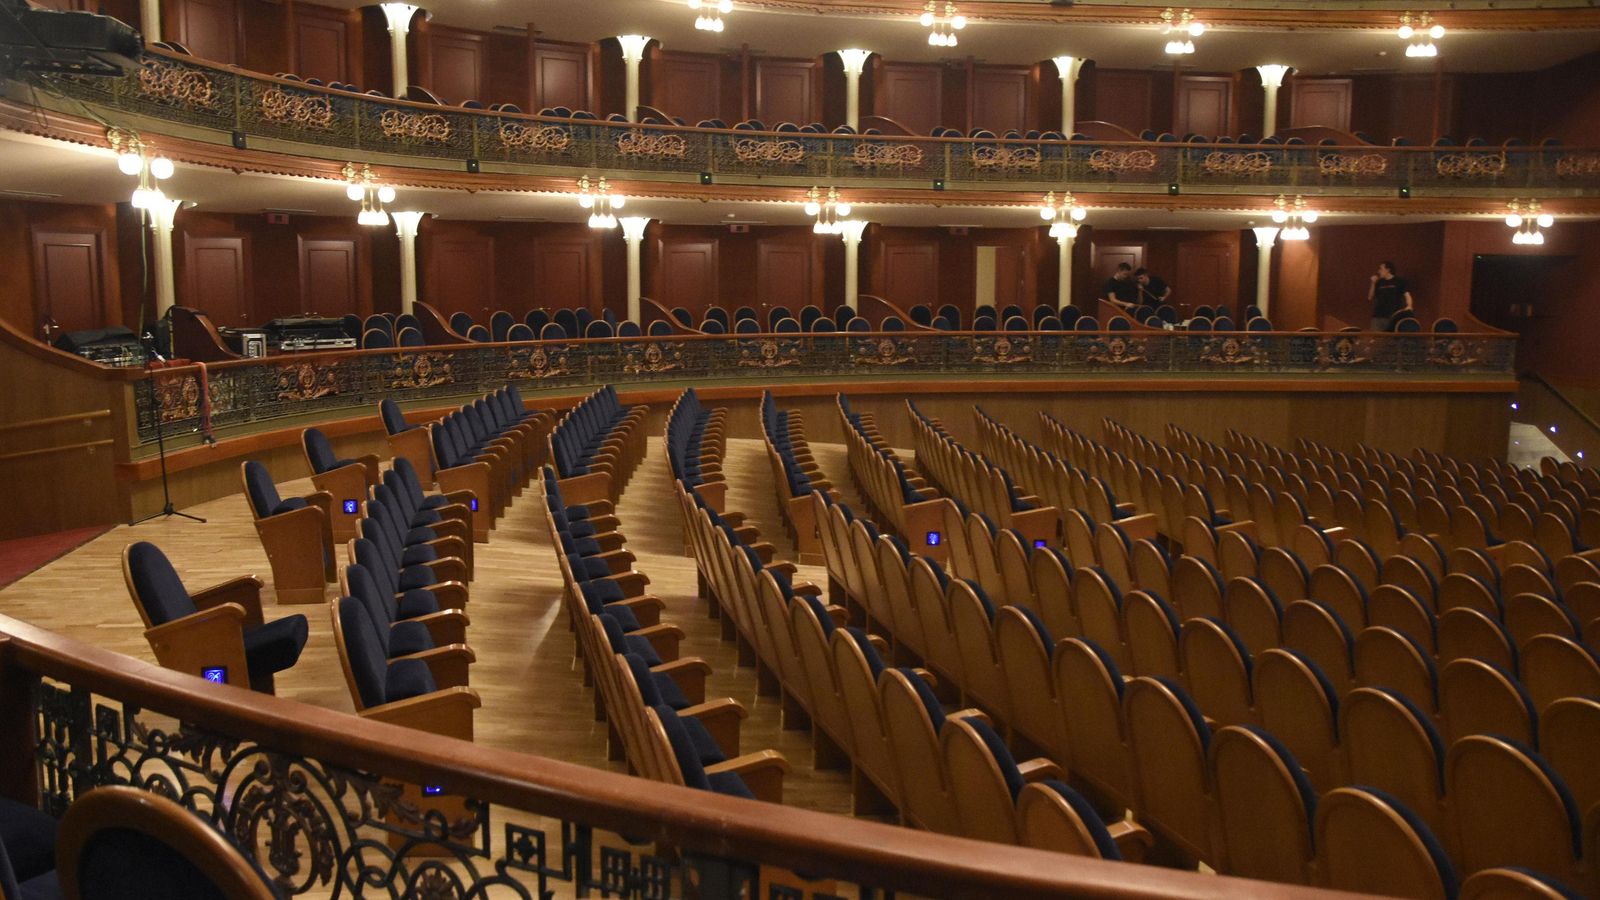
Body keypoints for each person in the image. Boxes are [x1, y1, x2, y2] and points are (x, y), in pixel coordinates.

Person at [1368, 260, 1414, 331]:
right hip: (1378, 315)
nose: (1379, 271)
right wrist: (1373, 283)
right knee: (1376, 339)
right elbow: (1370, 297)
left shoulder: (1399, 281)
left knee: (1391, 339)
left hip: (1393, 315)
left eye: (1381, 269)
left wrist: (1409, 306)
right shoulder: (1379, 282)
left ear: (1388, 270)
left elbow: (1407, 295)